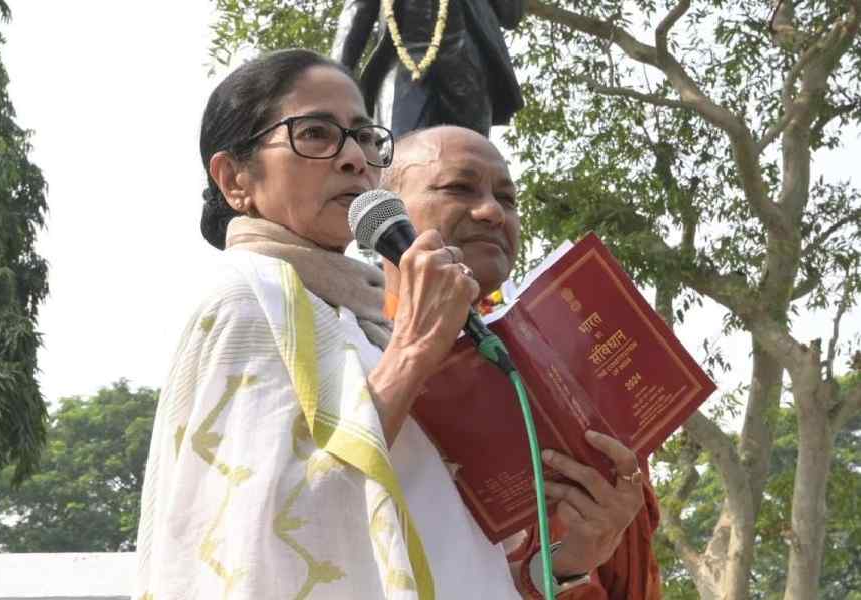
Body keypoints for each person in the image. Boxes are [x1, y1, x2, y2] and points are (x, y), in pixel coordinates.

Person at [133, 48, 525, 600]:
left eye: (364, 137)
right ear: (235, 178)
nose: (354, 159)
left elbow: (425, 531)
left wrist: (573, 557)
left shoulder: (361, 317)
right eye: (315, 134)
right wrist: (413, 351)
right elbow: (260, 538)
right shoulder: (245, 300)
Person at [378, 125, 663, 599]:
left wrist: (574, 560)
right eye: (458, 188)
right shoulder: (347, 350)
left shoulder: (570, 380)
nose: (492, 212)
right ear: (384, 214)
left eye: (507, 199)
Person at [330, 0, 525, 137]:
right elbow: (357, 10)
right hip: (401, 59)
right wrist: (332, 79)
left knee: (470, 161)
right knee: (396, 154)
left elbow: (511, 15)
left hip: (467, 62)